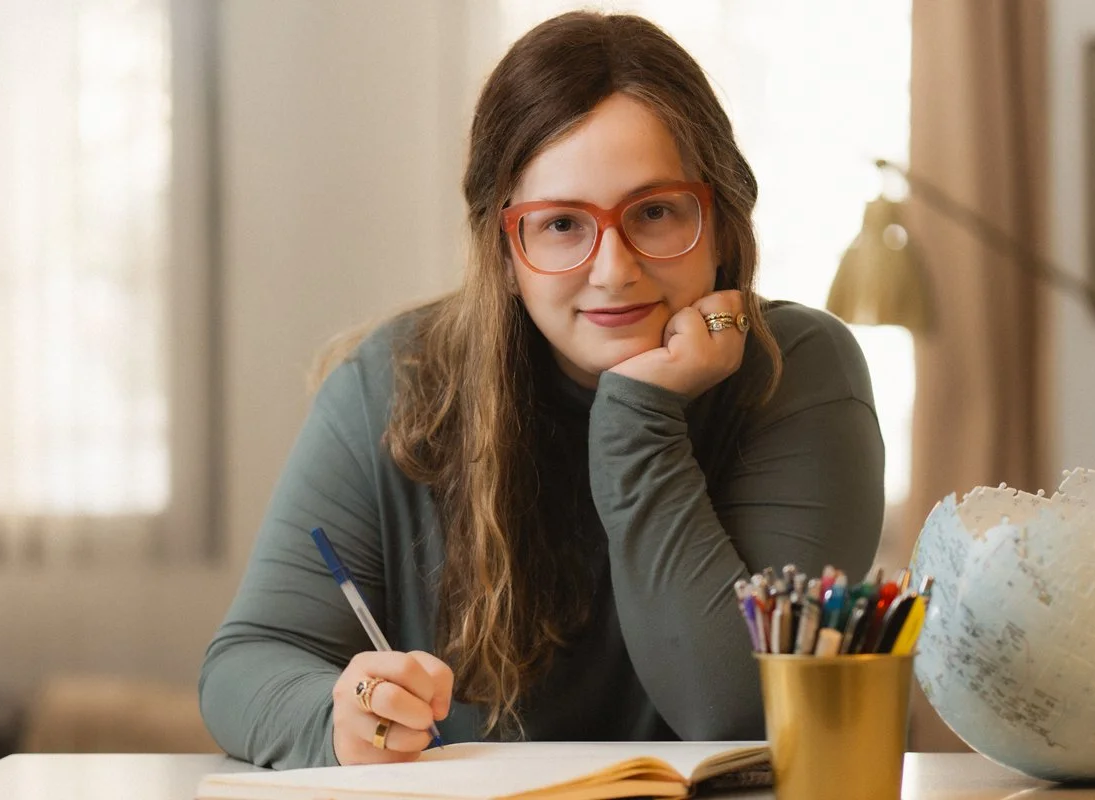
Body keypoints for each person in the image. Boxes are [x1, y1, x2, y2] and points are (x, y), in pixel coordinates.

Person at [199, 10, 884, 770]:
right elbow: (248, 661)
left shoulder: (800, 374)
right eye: (562, 224)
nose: (613, 268)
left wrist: (638, 418)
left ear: (718, 221)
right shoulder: (396, 382)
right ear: (505, 246)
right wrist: (337, 721)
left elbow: (732, 709)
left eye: (654, 213)